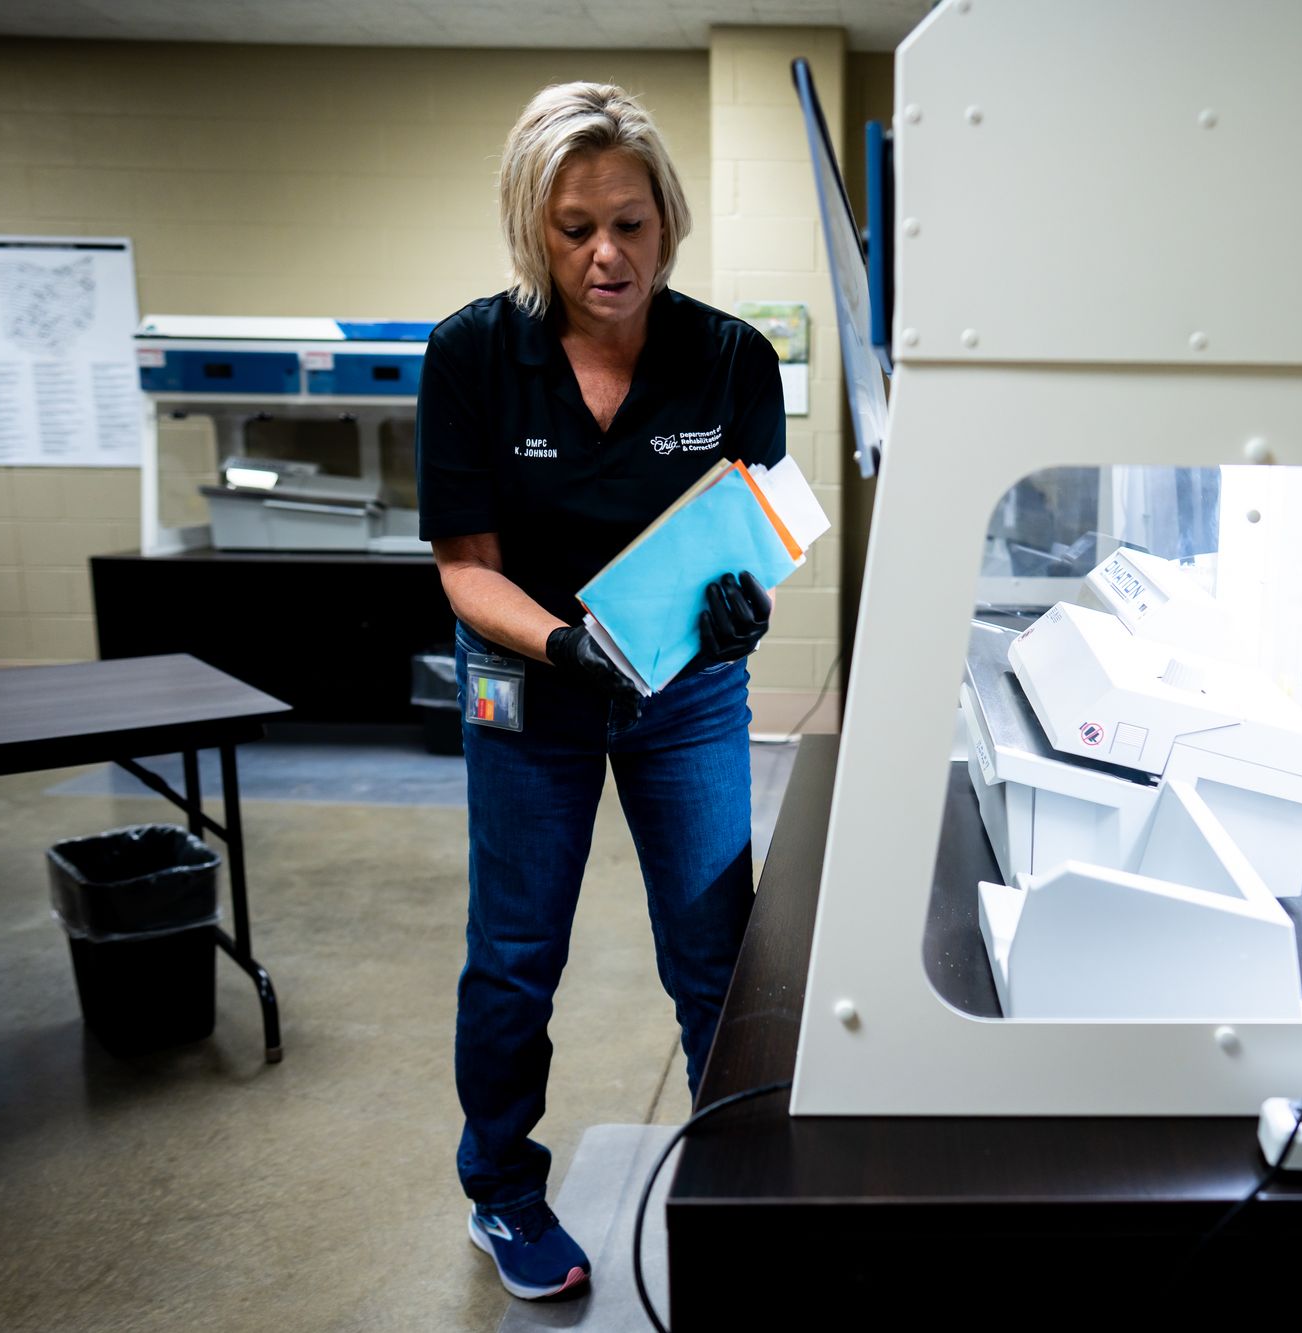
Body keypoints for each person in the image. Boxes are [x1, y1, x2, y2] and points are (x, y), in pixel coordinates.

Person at [416, 81, 784, 1302]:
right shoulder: (475, 352)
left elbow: (753, 540)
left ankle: (736, 1187)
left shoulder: (730, 357)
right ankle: (503, 1194)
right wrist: (565, 645)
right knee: (516, 953)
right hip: (532, 686)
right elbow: (466, 570)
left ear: (666, 221)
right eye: (574, 227)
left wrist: (744, 606)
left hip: (682, 694)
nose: (605, 254)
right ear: (536, 229)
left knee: (716, 955)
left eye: (627, 222)